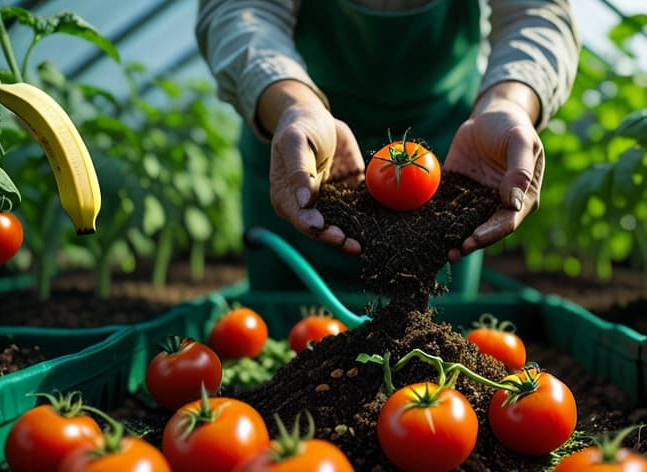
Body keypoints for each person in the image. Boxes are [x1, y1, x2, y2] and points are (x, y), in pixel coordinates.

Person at [195, 0, 580, 293]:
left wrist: (508, 101)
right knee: (286, 345)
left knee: (429, 346)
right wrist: (293, 104)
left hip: (459, 152)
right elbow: (242, 11)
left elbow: (536, 11)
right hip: (303, 150)